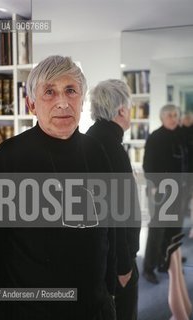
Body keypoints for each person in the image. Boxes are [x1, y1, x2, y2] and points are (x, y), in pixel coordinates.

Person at [0, 55, 116, 320]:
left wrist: (109, 291)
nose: (63, 102)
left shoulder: (96, 152)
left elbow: (108, 228)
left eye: (70, 90)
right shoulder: (8, 159)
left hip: (93, 308)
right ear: (31, 104)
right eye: (50, 92)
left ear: (82, 99)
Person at [87, 79, 141, 320]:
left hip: (103, 258)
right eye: (129, 108)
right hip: (117, 262)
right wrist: (123, 266)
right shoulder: (111, 147)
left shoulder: (93, 138)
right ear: (121, 110)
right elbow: (118, 211)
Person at [142, 104, 189, 284]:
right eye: (170, 115)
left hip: (180, 189)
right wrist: (153, 186)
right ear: (162, 118)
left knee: (174, 228)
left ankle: (168, 261)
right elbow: (148, 165)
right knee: (157, 230)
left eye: (176, 114)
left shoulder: (181, 135)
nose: (174, 118)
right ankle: (149, 267)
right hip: (160, 190)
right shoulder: (155, 137)